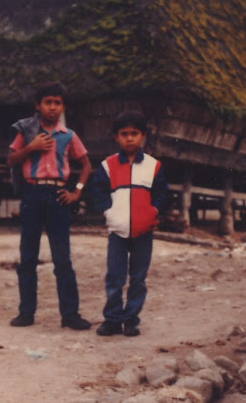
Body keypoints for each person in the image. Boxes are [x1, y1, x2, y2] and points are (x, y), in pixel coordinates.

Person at [7, 81, 92, 330]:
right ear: (38, 105)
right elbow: (11, 159)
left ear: (63, 106)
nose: (52, 108)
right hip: (33, 194)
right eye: (48, 102)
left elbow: (86, 165)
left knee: (62, 258)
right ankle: (26, 313)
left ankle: (70, 314)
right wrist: (31, 147)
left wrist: (76, 192)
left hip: (57, 195)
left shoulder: (68, 136)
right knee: (28, 257)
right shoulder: (26, 131)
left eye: (57, 103)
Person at [92, 111, 169, 337]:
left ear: (143, 136)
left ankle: (131, 319)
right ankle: (112, 319)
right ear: (116, 137)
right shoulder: (107, 166)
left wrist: (153, 211)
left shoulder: (154, 166)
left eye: (134, 133)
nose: (129, 138)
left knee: (138, 278)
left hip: (144, 232)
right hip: (117, 232)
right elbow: (98, 193)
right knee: (114, 277)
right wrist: (109, 213)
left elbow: (162, 195)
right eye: (124, 134)